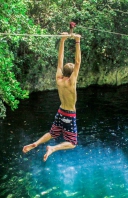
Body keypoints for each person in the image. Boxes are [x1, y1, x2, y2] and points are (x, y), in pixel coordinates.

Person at [22, 32, 81, 162]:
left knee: (52, 133)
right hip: (69, 115)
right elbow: (77, 62)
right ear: (72, 74)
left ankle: (36, 143)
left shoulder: (59, 79)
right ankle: (52, 149)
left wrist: (63, 40)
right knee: (72, 143)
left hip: (60, 111)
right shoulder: (71, 82)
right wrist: (77, 41)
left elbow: (60, 61)